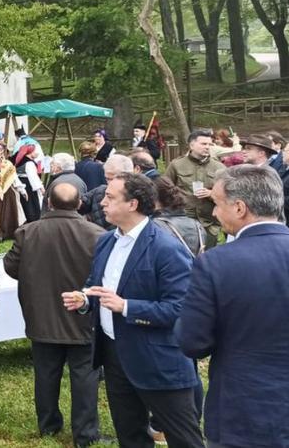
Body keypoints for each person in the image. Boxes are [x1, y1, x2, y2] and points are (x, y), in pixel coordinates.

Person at [62, 173, 203, 448]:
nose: (101, 202)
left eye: (110, 197)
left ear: (133, 204)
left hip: (157, 360)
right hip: (115, 355)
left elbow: (180, 308)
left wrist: (126, 306)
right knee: (130, 435)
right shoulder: (106, 241)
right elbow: (98, 285)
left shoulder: (166, 248)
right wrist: (85, 298)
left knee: (184, 439)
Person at [179, 164, 289, 447]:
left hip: (241, 411)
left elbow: (192, 342)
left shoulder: (216, 263)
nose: (216, 213)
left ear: (240, 208)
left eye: (217, 204)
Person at [3, 183, 103, 446]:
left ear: (48, 203)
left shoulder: (29, 232)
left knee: (46, 373)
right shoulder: (97, 234)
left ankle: (48, 424)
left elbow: (11, 266)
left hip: (43, 313)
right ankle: (85, 432)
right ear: (79, 203)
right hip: (82, 316)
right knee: (84, 375)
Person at [165, 128, 226, 250]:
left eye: (210, 144)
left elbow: (228, 194)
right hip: (183, 221)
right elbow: (164, 189)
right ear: (191, 145)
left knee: (207, 260)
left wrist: (211, 193)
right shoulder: (176, 165)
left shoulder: (219, 167)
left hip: (209, 224)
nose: (207, 147)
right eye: (203, 144)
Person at [80, 154, 134, 231]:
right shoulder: (99, 191)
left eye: (112, 179)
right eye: (107, 178)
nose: (109, 183)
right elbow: (78, 206)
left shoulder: (139, 195)